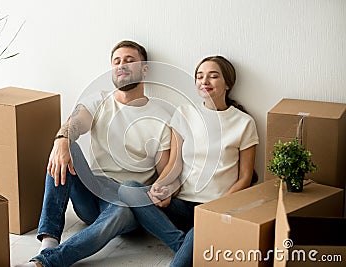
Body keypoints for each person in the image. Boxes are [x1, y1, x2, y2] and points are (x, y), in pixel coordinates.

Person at [16, 40, 173, 267]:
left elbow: (164, 170)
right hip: (92, 194)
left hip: (128, 200)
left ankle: (45, 263)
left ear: (145, 68)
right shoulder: (100, 100)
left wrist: (164, 188)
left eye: (129, 60)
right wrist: (61, 140)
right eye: (116, 61)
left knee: (122, 206)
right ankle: (48, 242)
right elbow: (76, 123)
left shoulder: (161, 115)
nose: (122, 65)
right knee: (65, 147)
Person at [119, 55, 259, 267]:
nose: (205, 81)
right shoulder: (185, 113)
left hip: (215, 208)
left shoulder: (243, 122)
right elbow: (175, 163)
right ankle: (185, 243)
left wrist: (218, 210)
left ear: (228, 84)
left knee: (189, 247)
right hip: (181, 205)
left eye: (213, 76)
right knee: (128, 189)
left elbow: (245, 177)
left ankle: (193, 243)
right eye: (199, 76)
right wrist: (160, 187)